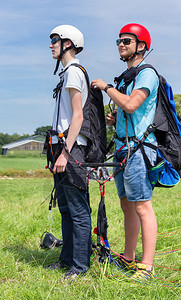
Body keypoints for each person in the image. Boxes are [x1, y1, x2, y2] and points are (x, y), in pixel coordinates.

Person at [91, 23, 159, 282]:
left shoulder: (147, 74)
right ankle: (128, 258)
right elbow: (126, 110)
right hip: (122, 148)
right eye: (119, 41)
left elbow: (132, 104)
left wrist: (107, 88)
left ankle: (147, 267)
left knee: (142, 206)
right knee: (126, 206)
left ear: (141, 46)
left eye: (127, 41)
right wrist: (114, 119)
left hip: (139, 149)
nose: (121, 44)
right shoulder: (125, 77)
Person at [45, 25, 91, 280]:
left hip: (71, 150)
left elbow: (78, 115)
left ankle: (80, 267)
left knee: (78, 210)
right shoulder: (65, 74)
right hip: (61, 148)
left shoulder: (73, 72)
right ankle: (66, 261)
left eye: (54, 40)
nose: (51, 45)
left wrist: (65, 153)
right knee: (65, 207)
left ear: (68, 44)